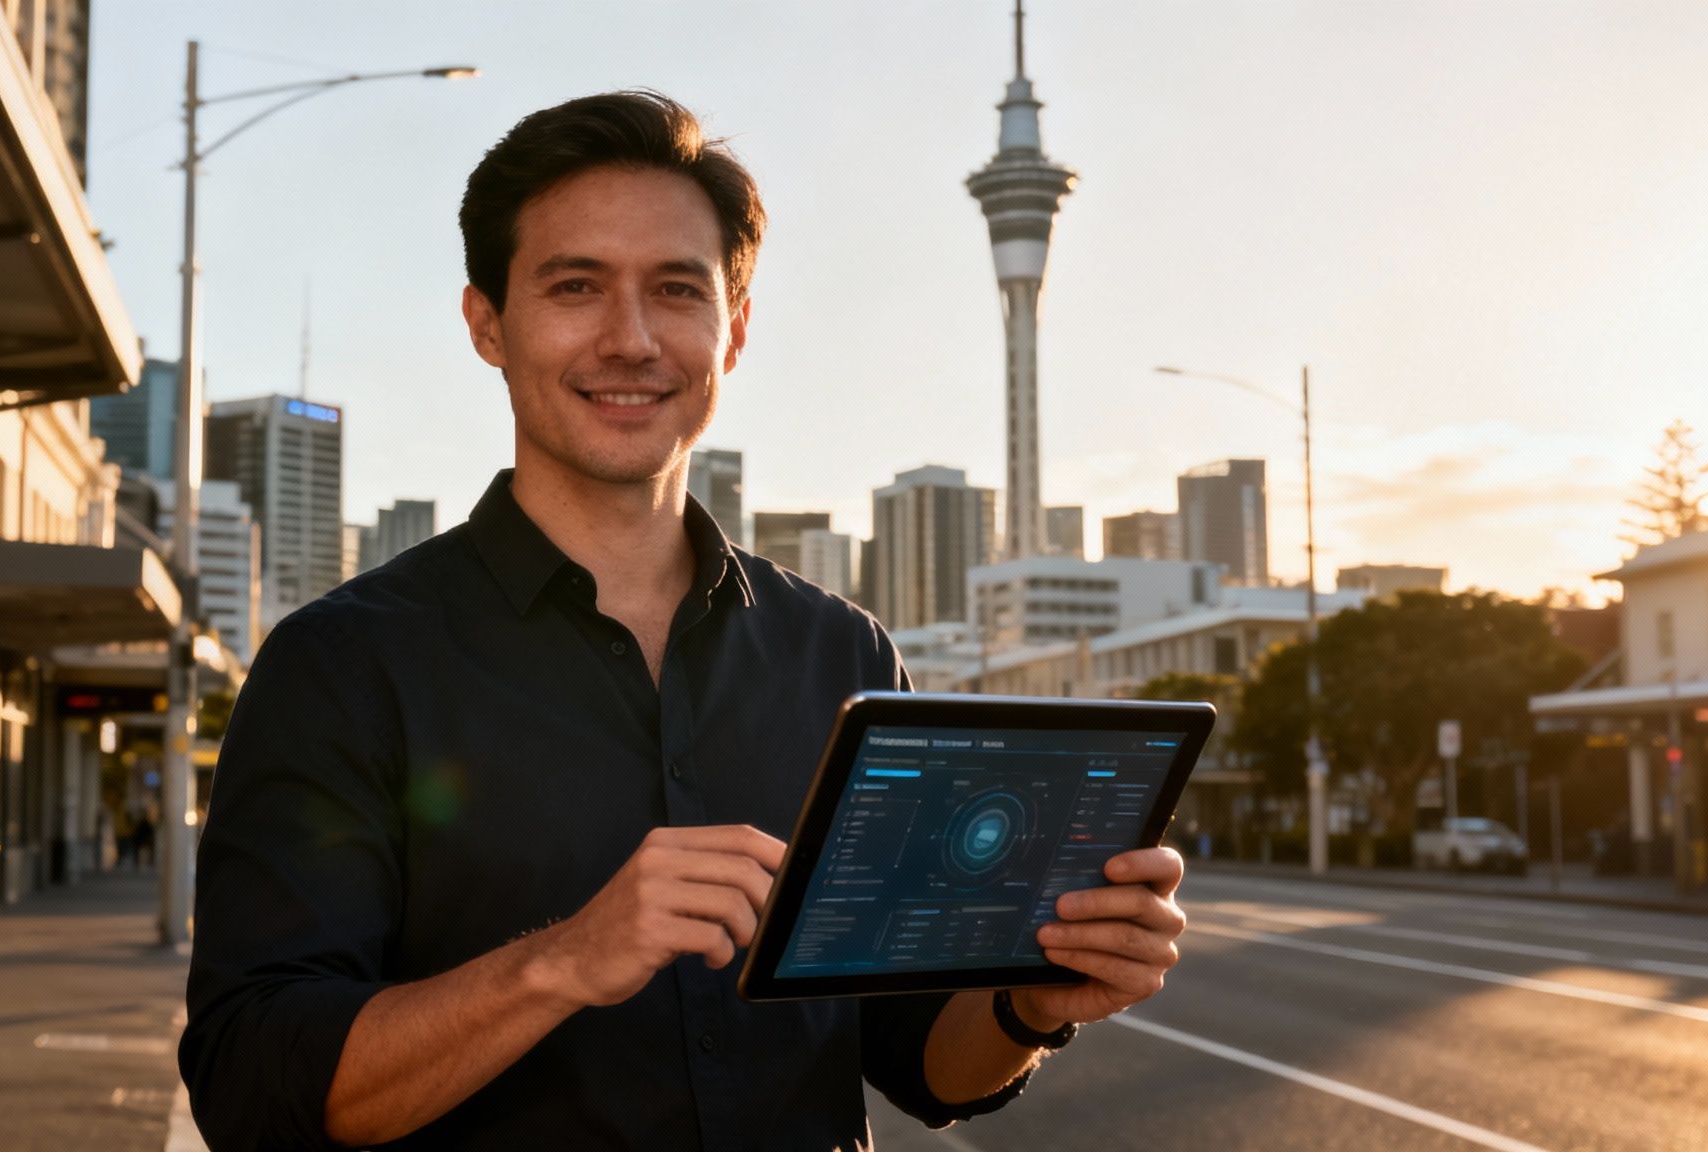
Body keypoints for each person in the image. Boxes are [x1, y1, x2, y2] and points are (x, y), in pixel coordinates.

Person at [178, 90, 1188, 1150]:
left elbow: (911, 1058)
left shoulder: (838, 654)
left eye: (675, 290)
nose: (630, 339)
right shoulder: (342, 665)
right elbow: (256, 1087)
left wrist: (1032, 1002)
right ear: (487, 324)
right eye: (575, 287)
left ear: (733, 330)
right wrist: (560, 961)